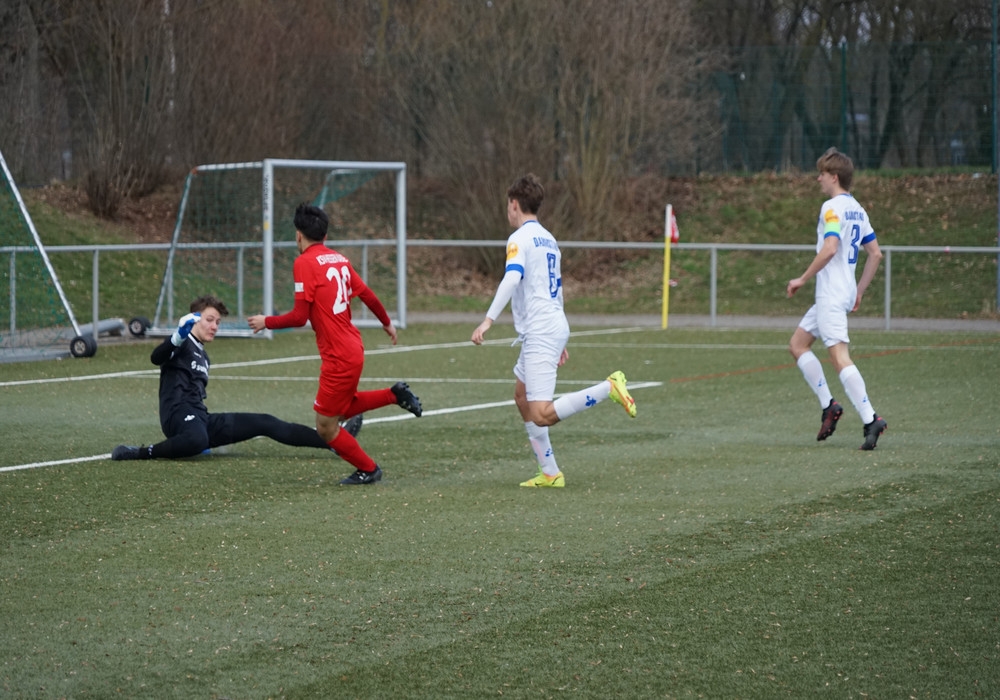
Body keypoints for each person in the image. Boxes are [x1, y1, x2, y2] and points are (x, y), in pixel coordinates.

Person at [471, 173, 636, 488]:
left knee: (541, 413)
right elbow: (555, 290)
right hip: (551, 325)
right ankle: (549, 472)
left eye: (508, 205)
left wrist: (488, 320)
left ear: (514, 204)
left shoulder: (519, 238)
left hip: (542, 329)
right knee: (522, 396)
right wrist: (559, 337)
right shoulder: (549, 239)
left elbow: (511, 278)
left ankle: (608, 388)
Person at [247, 203, 422, 485]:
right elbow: (367, 294)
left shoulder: (304, 263)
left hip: (339, 357)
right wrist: (386, 322)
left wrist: (266, 321)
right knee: (340, 410)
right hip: (353, 347)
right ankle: (394, 395)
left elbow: (299, 317)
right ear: (325, 236)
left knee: (325, 427)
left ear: (298, 235)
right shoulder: (339, 259)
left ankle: (369, 469)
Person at [110, 295, 361, 461]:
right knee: (197, 439)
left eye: (218, 322)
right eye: (209, 320)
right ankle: (141, 452)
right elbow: (157, 357)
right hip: (177, 417)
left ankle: (333, 442)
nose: (214, 326)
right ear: (194, 319)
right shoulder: (182, 342)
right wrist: (177, 336)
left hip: (201, 418)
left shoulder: (204, 356)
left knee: (265, 422)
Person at [786, 147, 888, 450]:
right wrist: (859, 291)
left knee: (840, 357)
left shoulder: (831, 208)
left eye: (822, 174)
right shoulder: (857, 209)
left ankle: (871, 418)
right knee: (798, 344)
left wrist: (802, 278)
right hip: (839, 293)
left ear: (834, 177)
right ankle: (829, 405)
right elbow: (875, 254)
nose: (818, 179)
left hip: (830, 294)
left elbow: (830, 248)